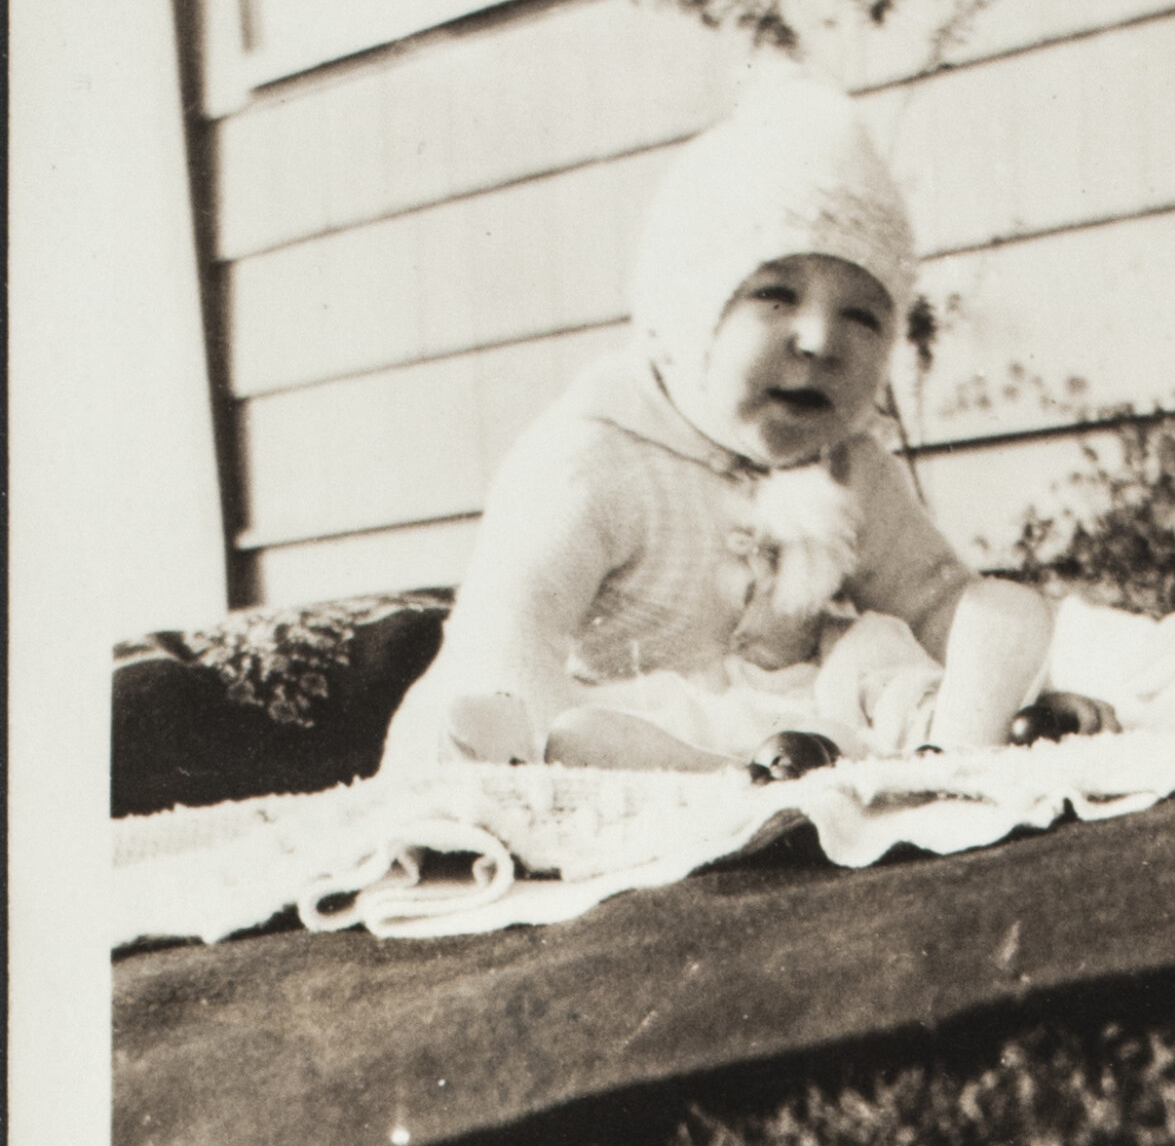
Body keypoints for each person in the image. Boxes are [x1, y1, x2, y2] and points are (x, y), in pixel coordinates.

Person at [380, 74, 1116, 782]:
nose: (821, 340)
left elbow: (934, 601)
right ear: (689, 315)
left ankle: (965, 752)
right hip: (644, 735)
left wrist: (1006, 680)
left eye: (863, 316)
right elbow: (508, 637)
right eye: (774, 294)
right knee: (572, 738)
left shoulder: (851, 469)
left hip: (809, 732)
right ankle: (727, 785)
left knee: (984, 618)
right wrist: (523, 730)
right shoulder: (595, 455)